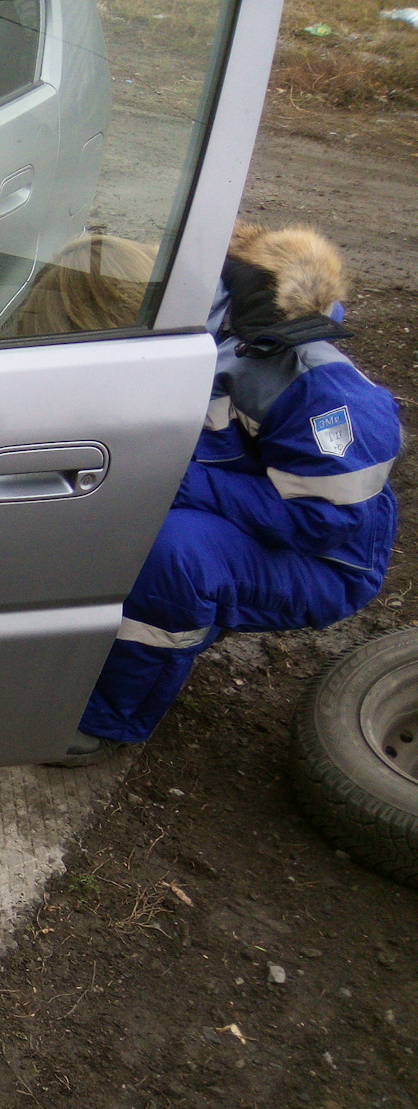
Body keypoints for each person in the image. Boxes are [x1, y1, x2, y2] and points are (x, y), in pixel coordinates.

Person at [41, 222, 404, 763]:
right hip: (250, 510)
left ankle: (110, 719)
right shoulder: (189, 314)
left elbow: (327, 518)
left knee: (173, 556)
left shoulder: (316, 385)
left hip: (324, 557)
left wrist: (173, 481)